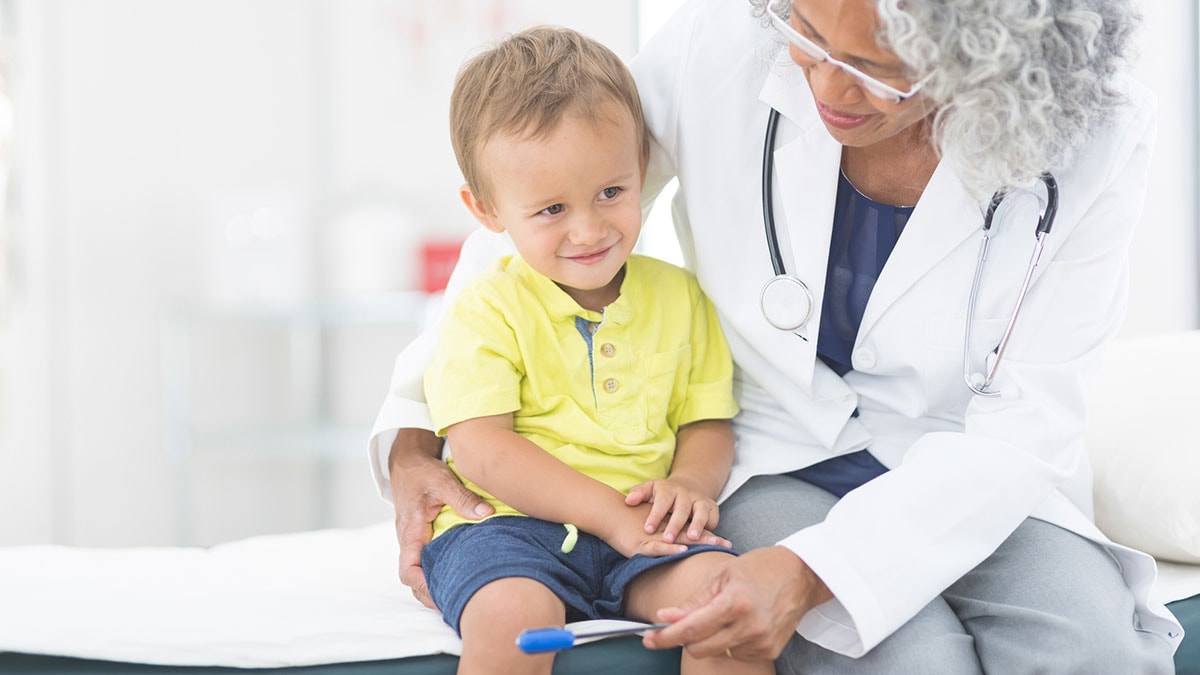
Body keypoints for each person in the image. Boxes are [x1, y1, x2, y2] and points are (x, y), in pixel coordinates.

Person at [370, 0, 1184, 672]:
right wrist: (414, 435)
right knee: (913, 662)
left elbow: (1026, 421)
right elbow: (534, 203)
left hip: (965, 460)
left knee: (1093, 649)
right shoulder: (721, 46)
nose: (827, 83)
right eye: (807, 32)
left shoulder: (1089, 130)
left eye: (880, 68)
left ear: (990, 54)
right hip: (772, 445)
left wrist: (810, 574)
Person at [414, 25, 770, 675]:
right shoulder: (485, 310)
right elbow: (482, 449)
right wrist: (609, 516)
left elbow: (707, 420)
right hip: (510, 531)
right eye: (551, 208)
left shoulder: (683, 296)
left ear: (642, 170)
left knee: (727, 602)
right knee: (510, 619)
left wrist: (690, 483)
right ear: (487, 209)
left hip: (642, 532)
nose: (589, 228)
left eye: (611, 191)